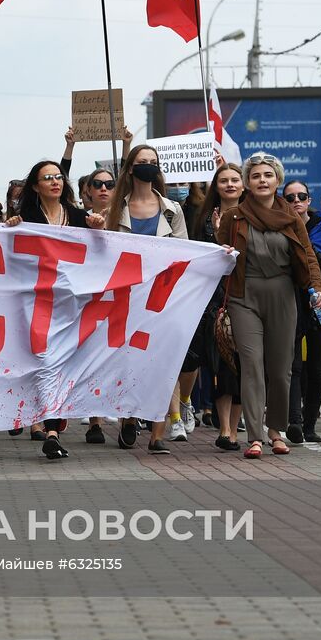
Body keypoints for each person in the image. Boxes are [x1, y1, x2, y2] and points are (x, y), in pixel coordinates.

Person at [216, 154, 321, 459]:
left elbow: (308, 255)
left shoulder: (291, 217)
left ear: (276, 180)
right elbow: (220, 258)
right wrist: (223, 253)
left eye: (268, 175)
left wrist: (317, 288)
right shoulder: (233, 217)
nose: (262, 180)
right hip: (244, 295)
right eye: (255, 176)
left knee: (280, 370)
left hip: (283, 293)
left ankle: (275, 431)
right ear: (247, 183)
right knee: (251, 366)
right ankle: (255, 436)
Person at [106, 144, 190, 454]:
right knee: (130, 360)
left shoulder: (172, 209)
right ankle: (129, 416)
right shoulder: (116, 208)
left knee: (161, 361)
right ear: (130, 169)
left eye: (153, 162)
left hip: (161, 295)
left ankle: (157, 434)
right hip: (127, 296)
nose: (149, 167)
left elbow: (183, 251)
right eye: (143, 162)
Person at [5, 161, 93, 459]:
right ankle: (51, 429)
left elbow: (103, 249)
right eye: (47, 178)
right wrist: (11, 229)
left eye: (58, 176)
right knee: (45, 361)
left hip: (72, 303)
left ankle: (53, 421)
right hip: (37, 301)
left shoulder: (80, 216)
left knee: (63, 364)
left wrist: (99, 228)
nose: (55, 181)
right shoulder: (26, 217)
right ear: (35, 186)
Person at [195, 164, 244, 449]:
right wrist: (216, 236)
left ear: (242, 185)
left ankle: (236, 427)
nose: (229, 185)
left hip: (246, 297)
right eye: (223, 180)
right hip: (215, 300)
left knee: (242, 367)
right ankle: (224, 429)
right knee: (220, 362)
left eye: (234, 180)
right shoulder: (204, 220)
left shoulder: (252, 216)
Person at [284, 178, 321, 445]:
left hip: (319, 302)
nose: (296, 202)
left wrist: (304, 247)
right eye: (290, 198)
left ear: (309, 201)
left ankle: (310, 423)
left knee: (317, 366)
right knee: (292, 365)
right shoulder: (279, 225)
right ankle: (294, 421)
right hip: (289, 300)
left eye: (301, 197)